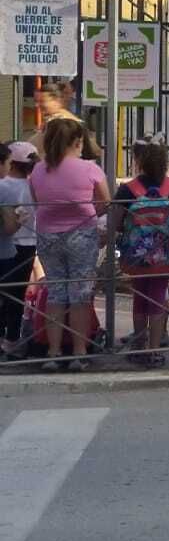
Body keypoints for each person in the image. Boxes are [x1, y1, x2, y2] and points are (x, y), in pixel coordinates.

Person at [30, 117, 111, 370]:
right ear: (78, 141)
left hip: (47, 236)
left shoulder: (38, 170)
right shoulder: (89, 169)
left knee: (55, 292)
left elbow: (36, 202)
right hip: (81, 235)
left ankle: (53, 353)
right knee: (80, 294)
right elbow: (106, 202)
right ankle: (78, 352)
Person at [107, 136, 169, 367]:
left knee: (139, 297)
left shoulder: (128, 189)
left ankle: (138, 344)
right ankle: (155, 350)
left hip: (137, 255)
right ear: (165, 161)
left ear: (140, 161)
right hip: (165, 255)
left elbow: (114, 222)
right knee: (158, 296)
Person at [0, 143, 38, 359]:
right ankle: (13, 339)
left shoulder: (4, 185)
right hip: (28, 243)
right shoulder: (34, 187)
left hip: (8, 243)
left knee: (3, 292)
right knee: (17, 295)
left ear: (11, 162)